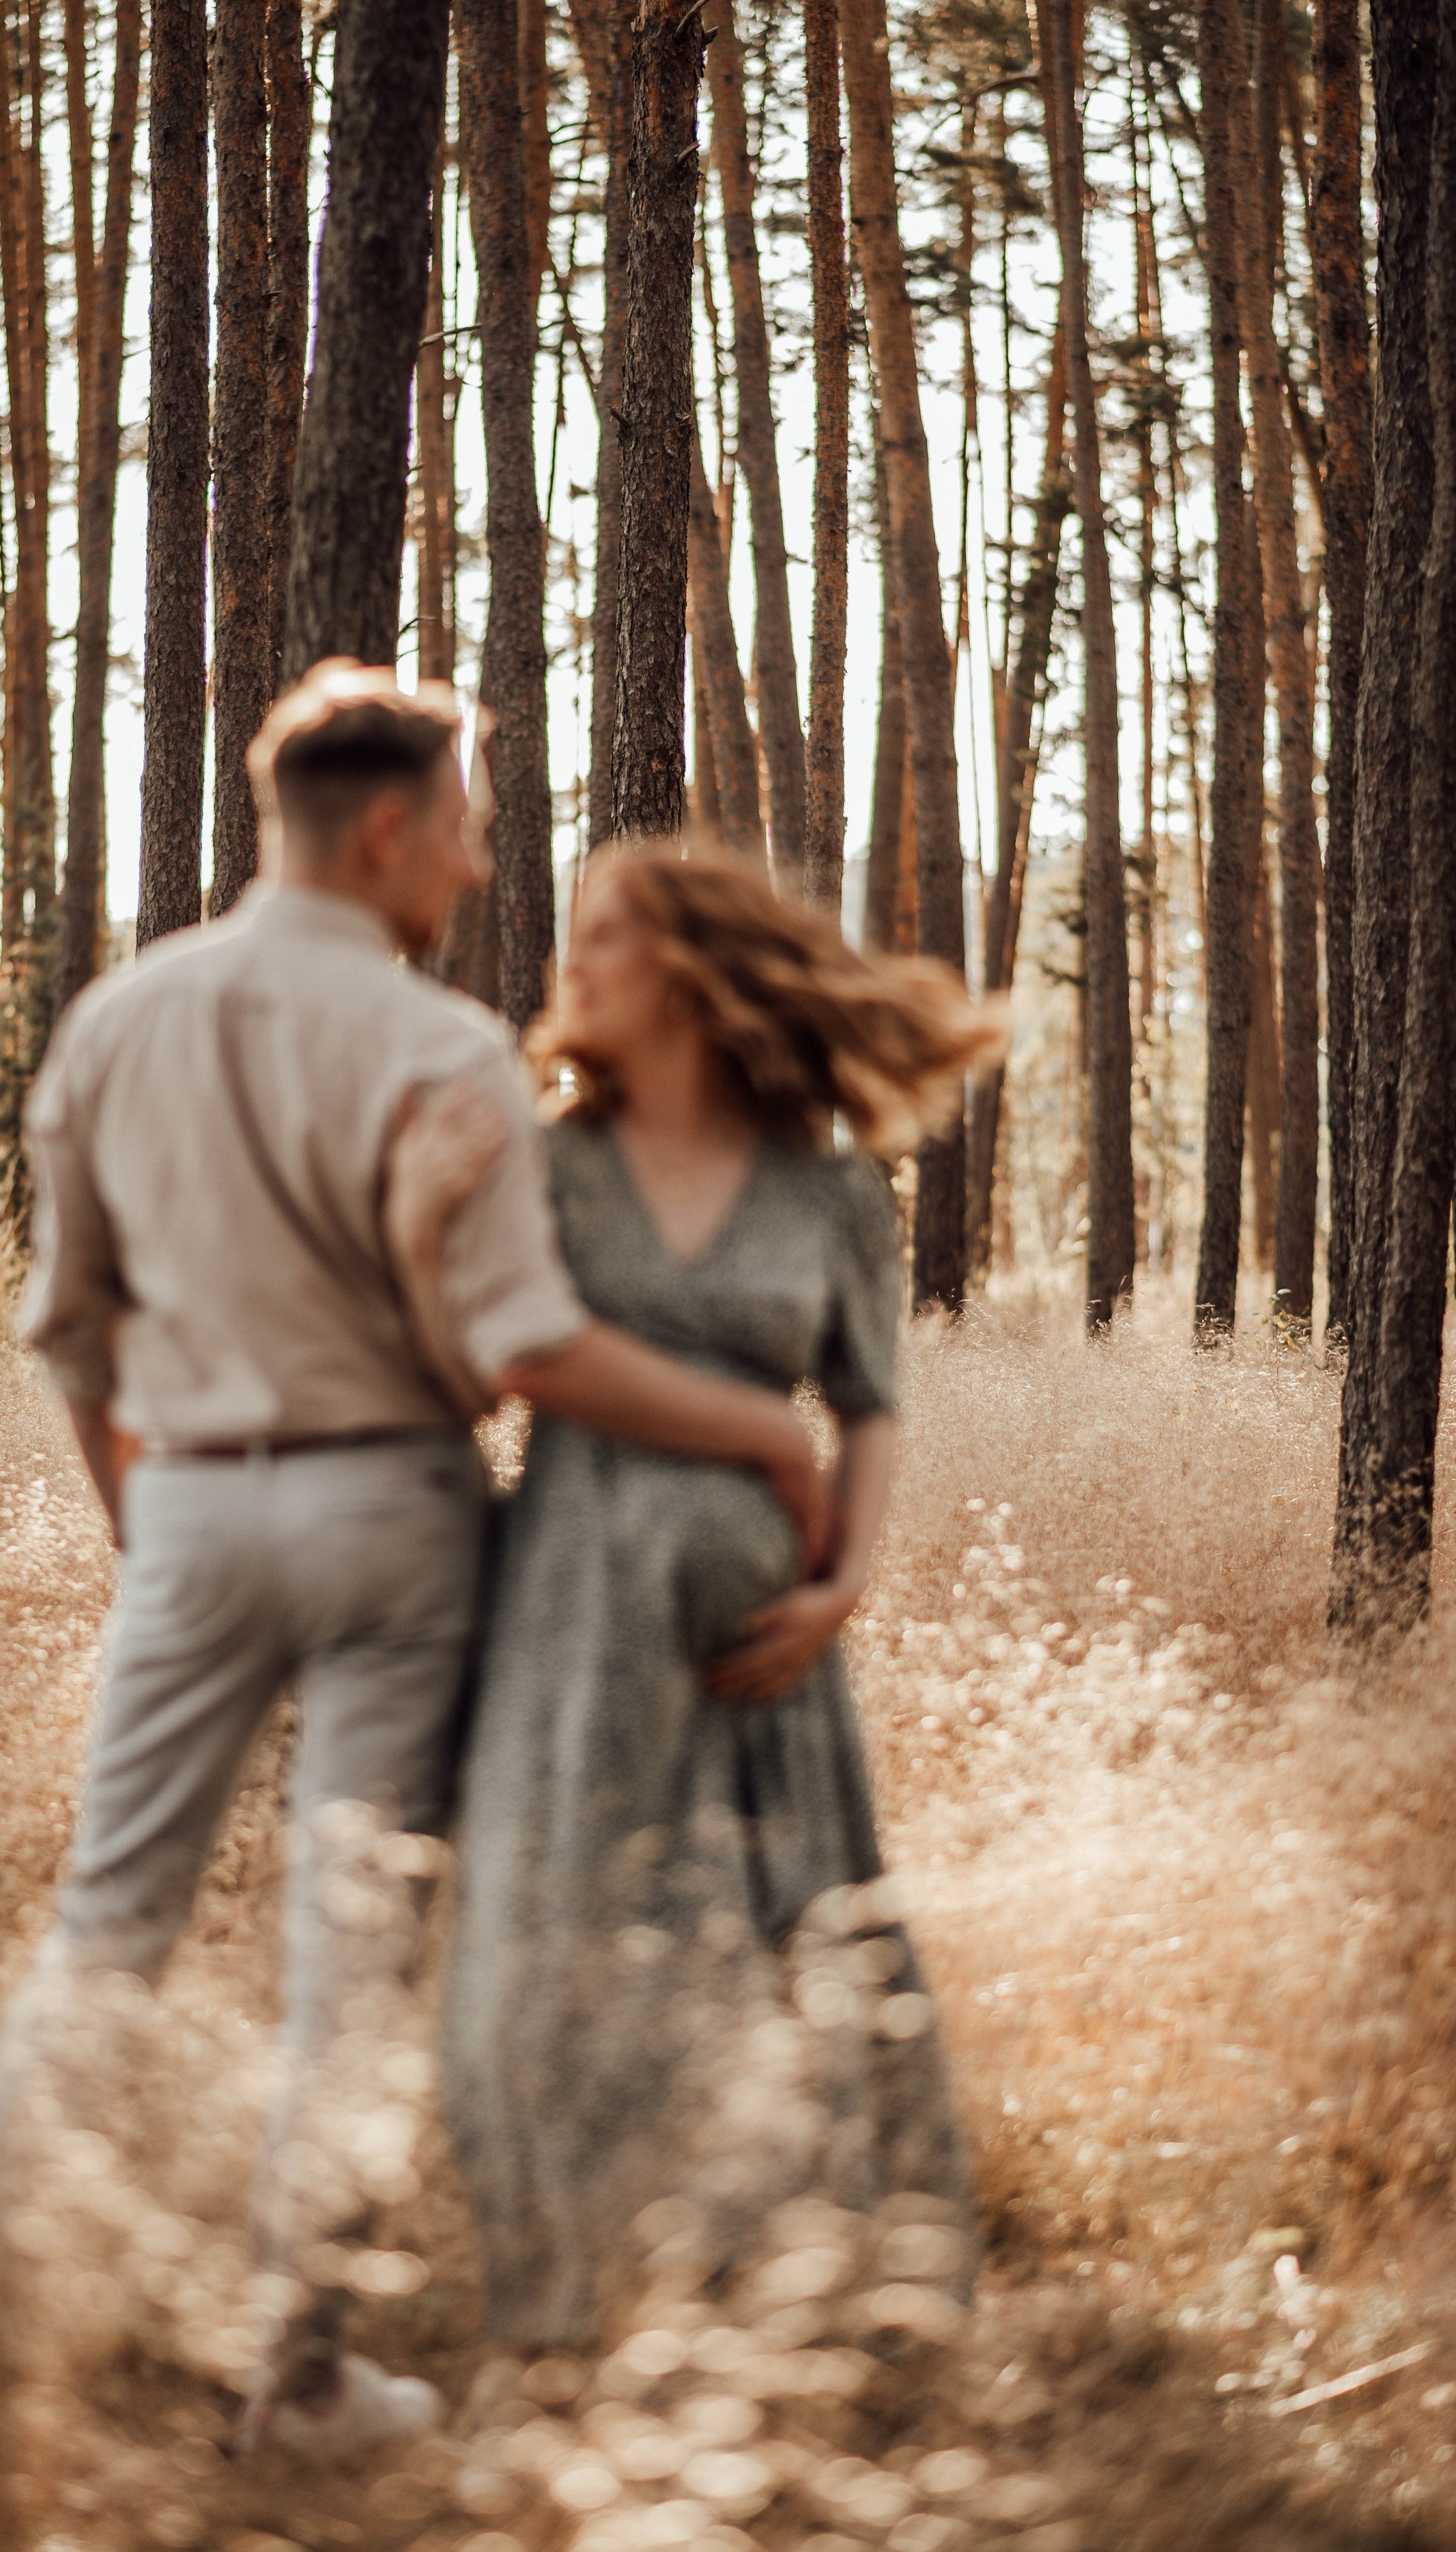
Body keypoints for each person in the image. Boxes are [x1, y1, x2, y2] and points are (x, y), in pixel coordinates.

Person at [0, 666, 833, 2465]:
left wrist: (167, 1532)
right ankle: (298, 2380)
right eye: (463, 826)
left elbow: (72, 1340)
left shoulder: (114, 1023)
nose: (472, 867)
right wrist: (767, 1430)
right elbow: (524, 1350)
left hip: (193, 1510)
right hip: (397, 1520)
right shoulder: (440, 1045)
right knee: (353, 1952)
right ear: (383, 827)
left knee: (103, 1932)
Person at [385, 839, 1005, 2348]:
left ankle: (829, 2295)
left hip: (766, 1643)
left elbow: (867, 1403)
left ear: (692, 969)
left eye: (602, 936)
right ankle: (560, 2296)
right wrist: (417, 1235)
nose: (568, 965)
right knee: (539, 1936)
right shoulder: (540, 1164)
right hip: (574, 1609)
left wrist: (841, 1585)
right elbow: (469, 1376)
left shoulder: (832, 1191)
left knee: (780, 1931)